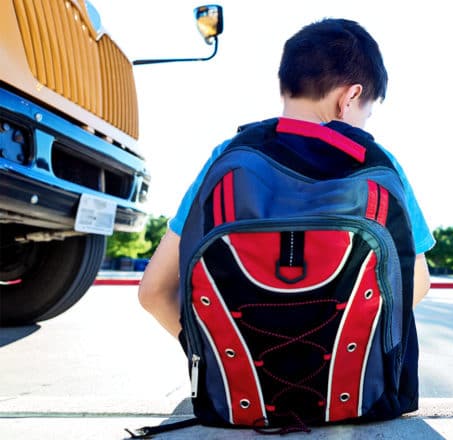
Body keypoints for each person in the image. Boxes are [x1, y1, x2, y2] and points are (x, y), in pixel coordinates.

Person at [138, 18, 435, 339]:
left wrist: (205, 362)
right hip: (352, 386)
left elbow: (153, 292)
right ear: (349, 97)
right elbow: (417, 281)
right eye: (367, 112)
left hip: (238, 388)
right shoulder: (377, 164)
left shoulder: (228, 158)